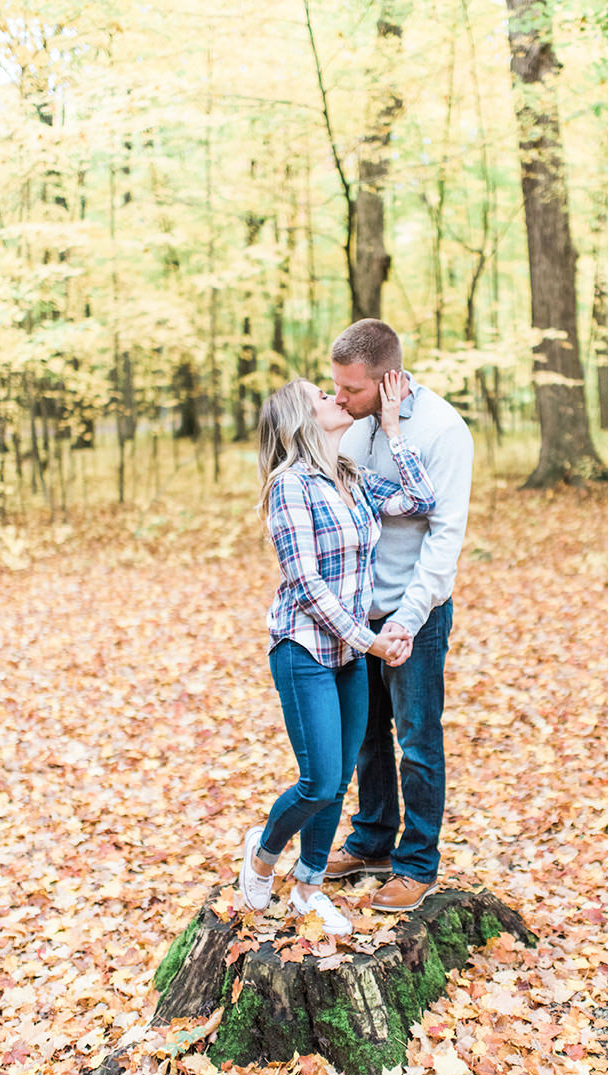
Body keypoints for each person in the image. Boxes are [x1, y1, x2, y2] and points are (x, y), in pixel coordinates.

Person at [239, 374, 435, 936]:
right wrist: (369, 639)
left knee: (342, 775)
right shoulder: (288, 487)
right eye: (321, 397)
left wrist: (394, 428)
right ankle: (263, 849)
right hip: (304, 647)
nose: (334, 397)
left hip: (348, 654)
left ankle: (307, 889)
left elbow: (420, 501)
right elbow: (305, 584)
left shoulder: (351, 476)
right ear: (302, 420)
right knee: (320, 782)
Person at [325, 319, 473, 912]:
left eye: (349, 389)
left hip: (417, 614)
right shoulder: (353, 431)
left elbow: (444, 539)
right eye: (335, 387)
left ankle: (417, 864)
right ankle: (373, 839)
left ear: (388, 380)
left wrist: (406, 621)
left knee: (417, 740)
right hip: (362, 614)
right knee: (366, 736)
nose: (338, 398)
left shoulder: (443, 430)